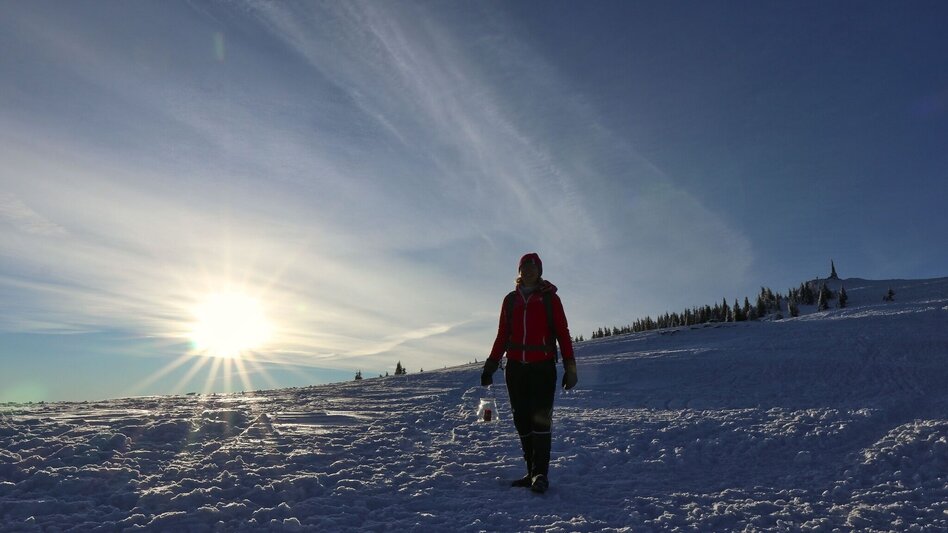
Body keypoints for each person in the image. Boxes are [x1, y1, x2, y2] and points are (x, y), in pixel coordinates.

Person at [481, 252, 577, 493]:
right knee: (521, 420)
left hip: (542, 367)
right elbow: (503, 334)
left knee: (540, 420)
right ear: (519, 271)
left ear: (540, 271)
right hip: (514, 368)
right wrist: (491, 365)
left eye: (533, 267)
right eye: (525, 267)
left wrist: (570, 366)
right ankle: (532, 471)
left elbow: (562, 332)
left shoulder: (550, 299)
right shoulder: (510, 300)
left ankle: (541, 475)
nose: (529, 270)